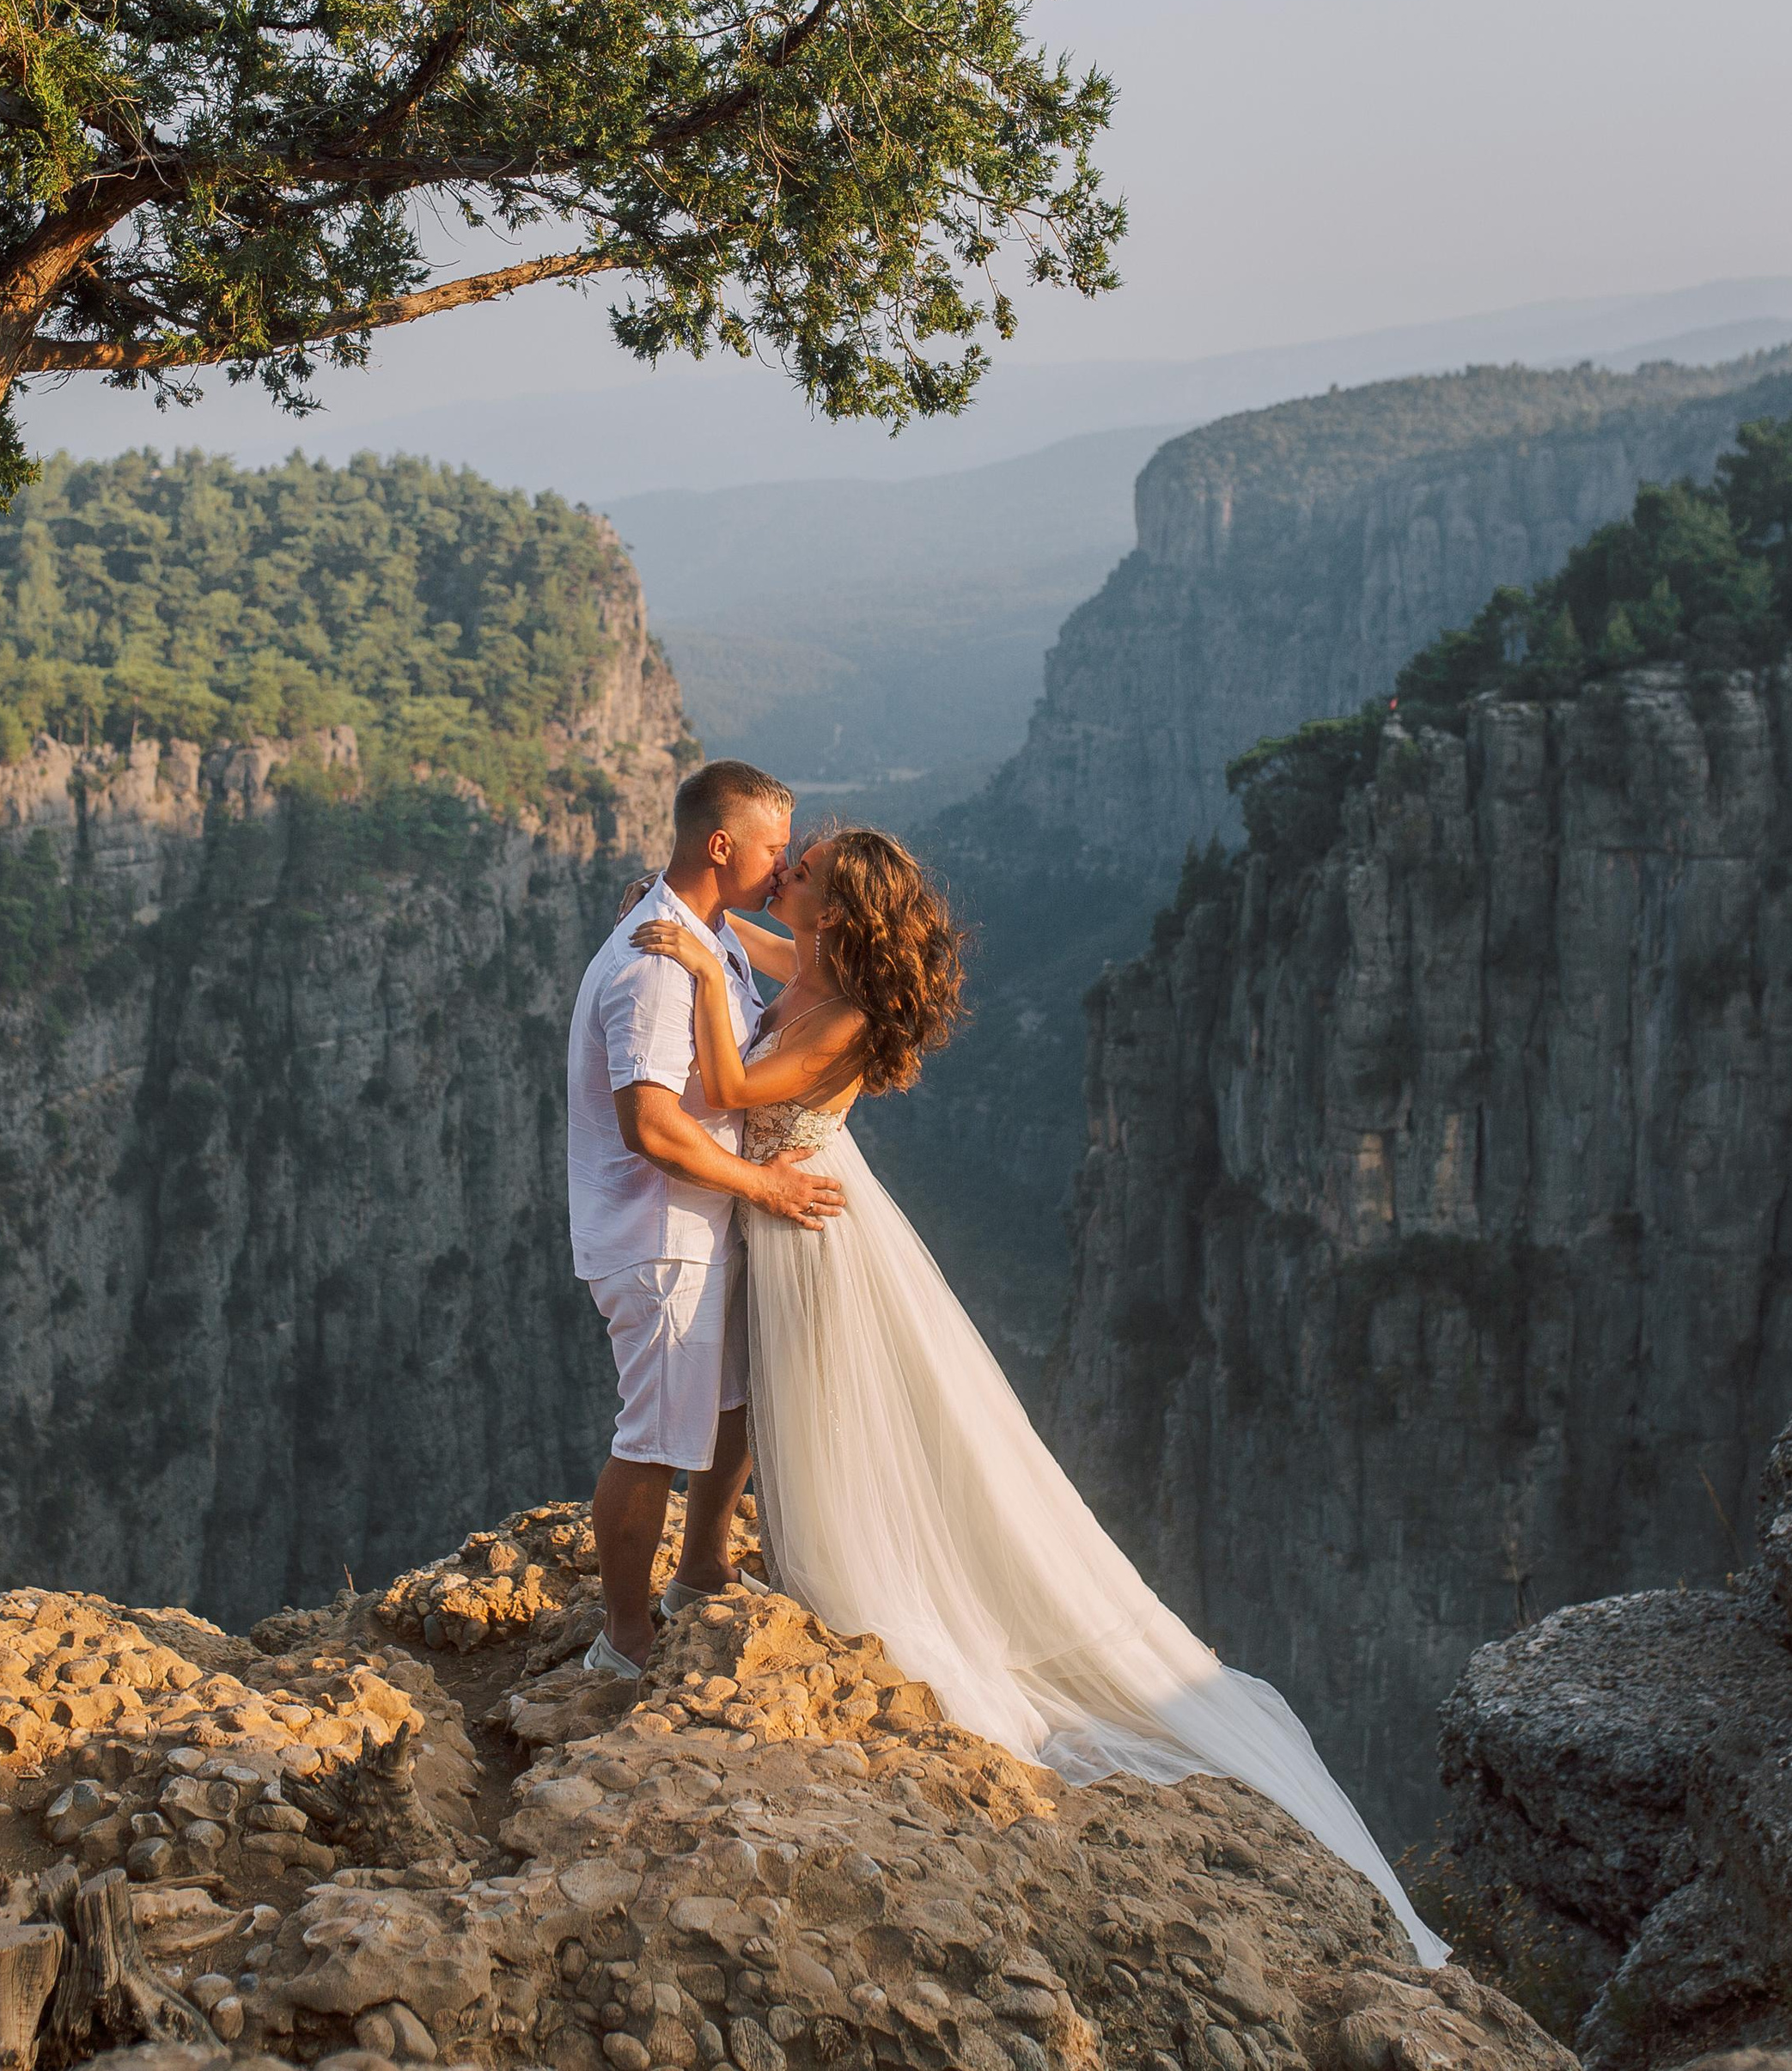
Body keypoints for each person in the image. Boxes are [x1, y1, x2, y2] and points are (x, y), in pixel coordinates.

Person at [631, 824, 1450, 1968]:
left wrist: (683, 957)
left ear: (838, 907)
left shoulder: (848, 1016)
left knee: (812, 1405)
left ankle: (840, 1583)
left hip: (813, 1232)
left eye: (803, 870)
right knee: (785, 1407)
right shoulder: (812, 969)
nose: (788, 870)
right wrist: (702, 923)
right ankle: (761, 1557)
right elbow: (764, 954)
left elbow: (725, 1083)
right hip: (785, 1217)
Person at [564, 759, 846, 1680]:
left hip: (701, 1224)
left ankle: (700, 1572)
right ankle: (624, 1641)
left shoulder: (707, 935)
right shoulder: (657, 966)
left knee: (732, 1406)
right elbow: (650, 1126)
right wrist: (765, 1187)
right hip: (660, 1239)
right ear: (721, 846)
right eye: (774, 849)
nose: (785, 866)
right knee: (652, 1441)